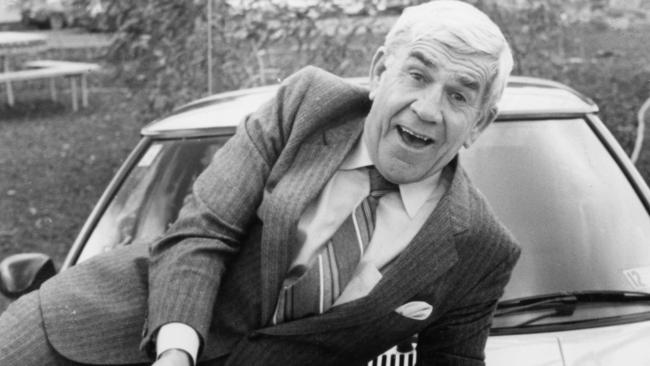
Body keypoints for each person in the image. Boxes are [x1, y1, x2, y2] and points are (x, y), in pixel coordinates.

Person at [0, 1, 520, 365]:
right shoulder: (307, 104)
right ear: (380, 71)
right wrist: (175, 353)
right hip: (90, 335)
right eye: (417, 75)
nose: (427, 109)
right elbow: (202, 232)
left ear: (479, 122)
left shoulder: (483, 248)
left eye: (459, 96)